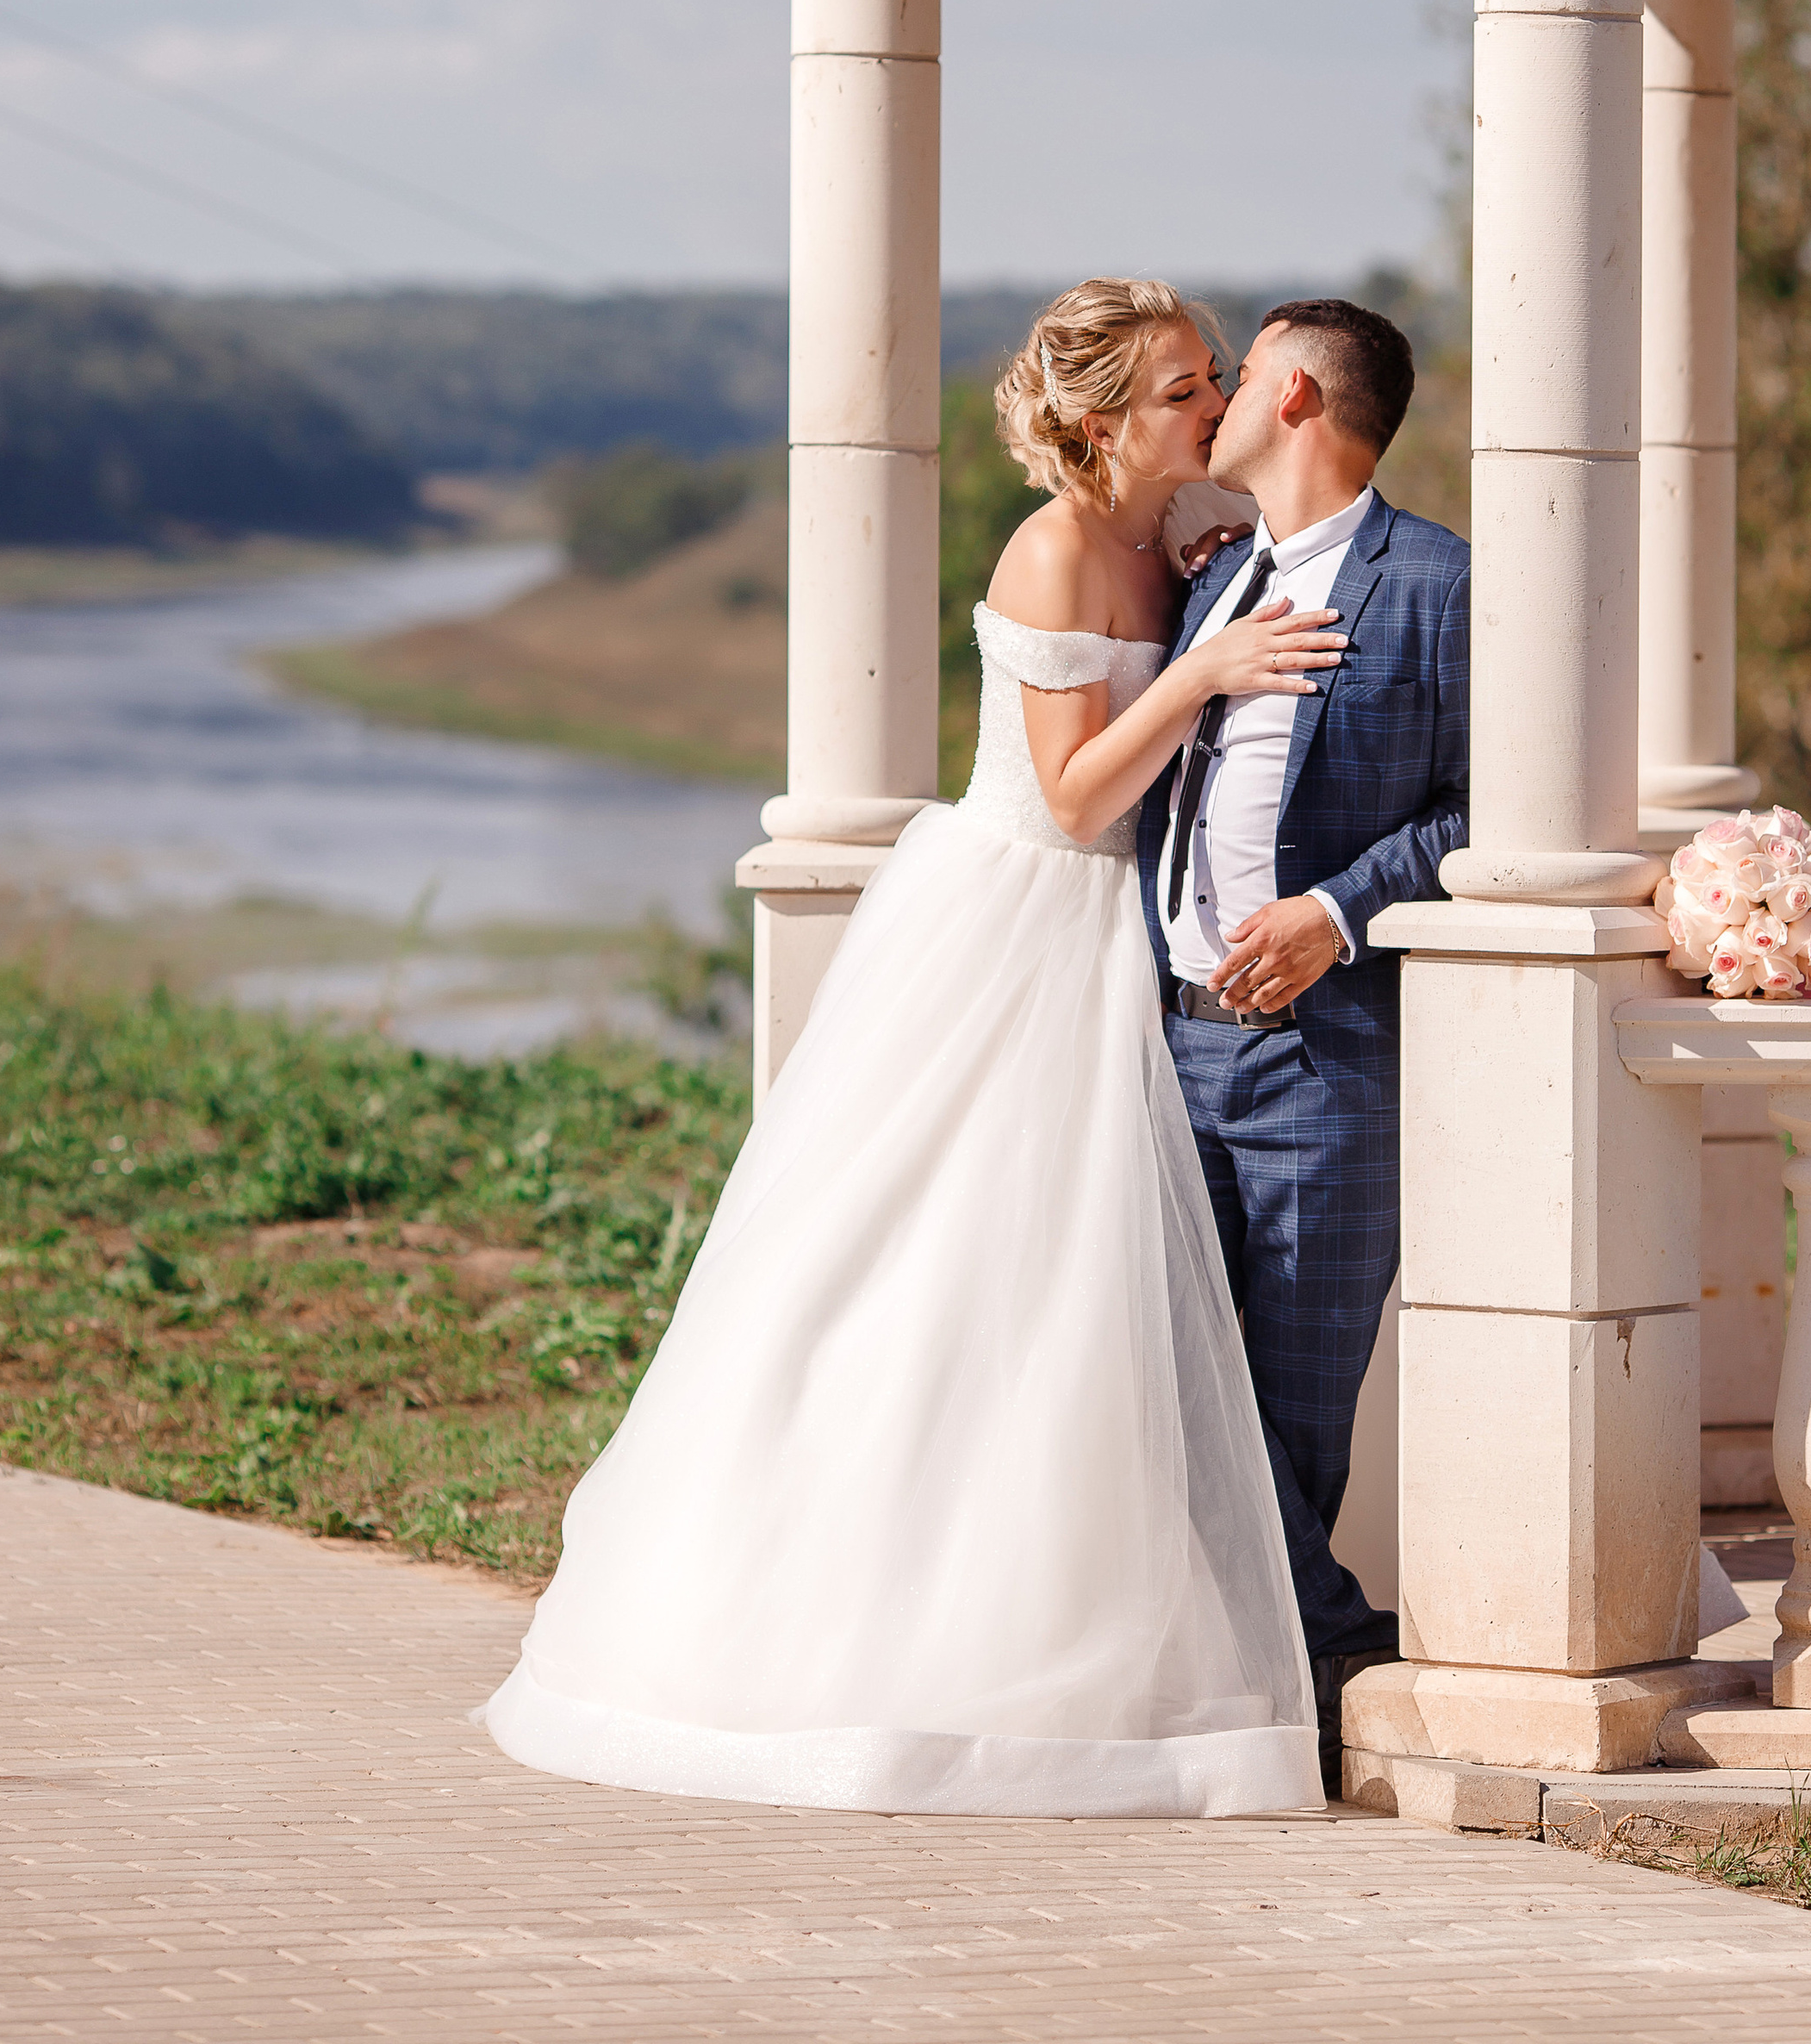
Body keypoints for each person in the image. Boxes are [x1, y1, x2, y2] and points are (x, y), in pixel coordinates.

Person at [484, 278, 1339, 1817]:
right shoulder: (1057, 547)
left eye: (1211, 380)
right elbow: (1074, 800)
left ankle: (1077, 1620)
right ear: (1096, 422)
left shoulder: (1181, 539)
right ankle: (858, 1635)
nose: (1211, 410)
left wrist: (1207, 596)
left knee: (1075, 1303)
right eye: (1180, 392)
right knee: (936, 1276)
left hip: (1112, 941)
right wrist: (1205, 673)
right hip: (1018, 922)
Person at [1136, 299, 1468, 1787]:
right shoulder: (1210, 579)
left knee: (1294, 1405)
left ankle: (1300, 1673)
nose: (1211, 401)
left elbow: (1492, 813)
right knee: (1155, 1374)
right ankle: (1323, 1652)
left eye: (1234, 373)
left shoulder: (1442, 586)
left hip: (1328, 1064)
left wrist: (1340, 908)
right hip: (1164, 1049)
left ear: (1291, 390)